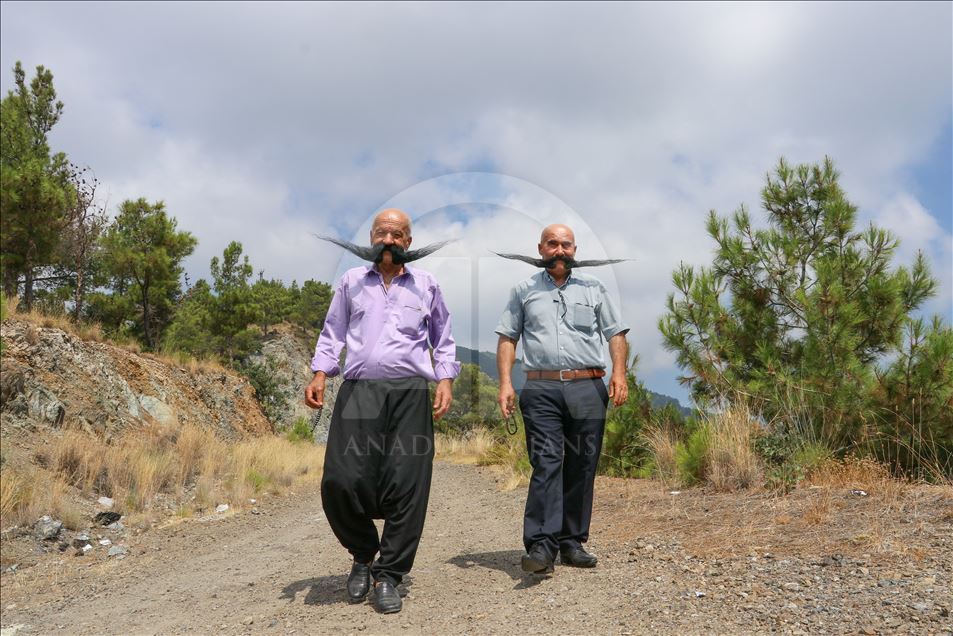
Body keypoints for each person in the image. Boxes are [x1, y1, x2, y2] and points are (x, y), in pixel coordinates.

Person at [305, 209, 459, 613]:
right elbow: (332, 332)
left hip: (409, 393)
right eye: (382, 233)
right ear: (371, 237)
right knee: (340, 480)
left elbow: (443, 338)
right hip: (359, 391)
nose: (388, 240)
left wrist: (445, 380)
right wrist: (320, 373)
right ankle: (363, 553)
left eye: (397, 234)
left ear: (408, 242)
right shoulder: (351, 282)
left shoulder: (427, 284)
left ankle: (388, 573)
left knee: (408, 483)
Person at [495, 224, 629, 574]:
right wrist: (506, 383)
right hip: (541, 388)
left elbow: (615, 333)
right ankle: (541, 546)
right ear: (540, 248)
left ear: (574, 249)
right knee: (547, 462)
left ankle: (571, 542)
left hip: (588, 386)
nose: (559, 250)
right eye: (552, 244)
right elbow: (508, 338)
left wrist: (619, 373)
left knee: (583, 463)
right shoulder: (523, 290)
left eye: (565, 245)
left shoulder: (594, 287)